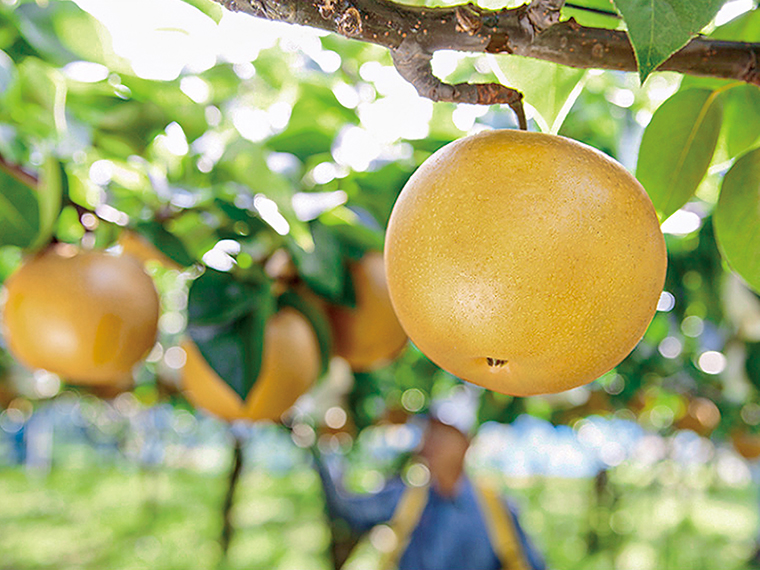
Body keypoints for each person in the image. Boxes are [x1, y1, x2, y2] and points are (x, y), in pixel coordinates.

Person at [313, 411, 546, 570]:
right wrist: (322, 451)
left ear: (465, 443)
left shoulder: (496, 508)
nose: (428, 442)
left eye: (441, 434)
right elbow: (346, 510)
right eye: (428, 433)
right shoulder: (406, 497)